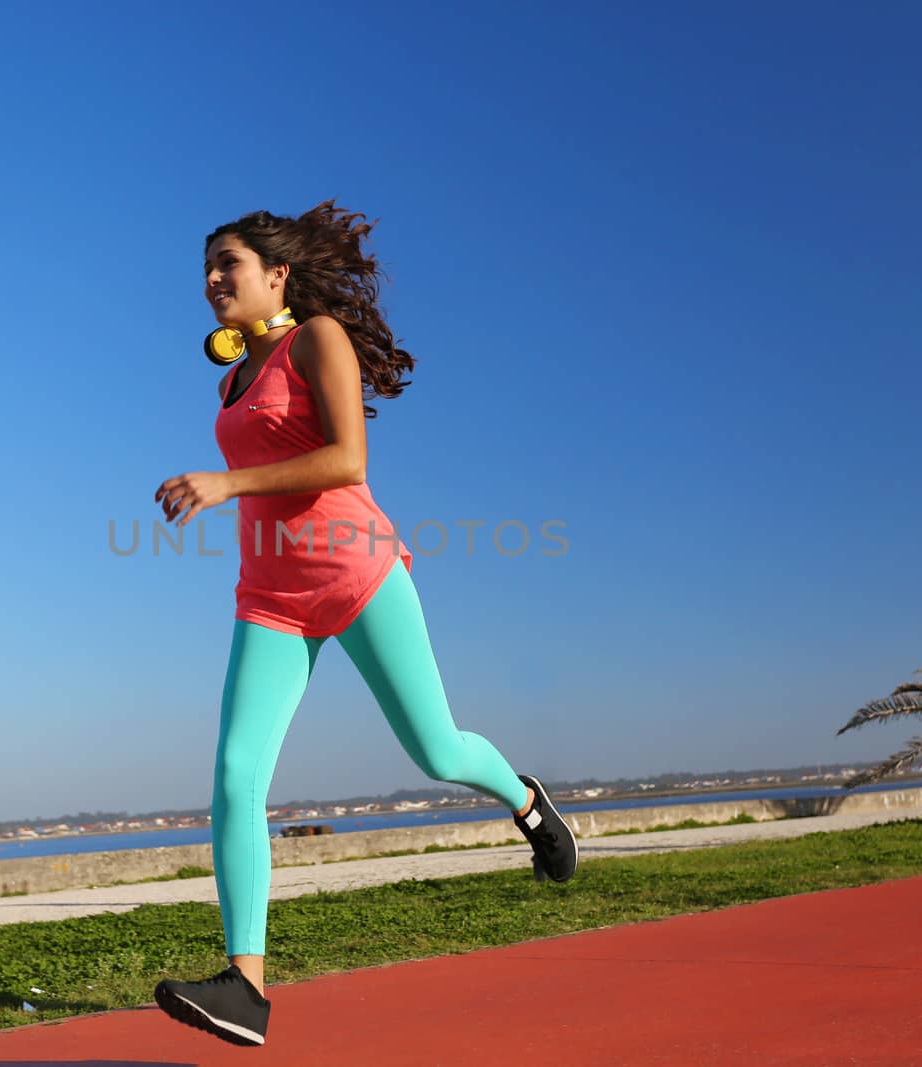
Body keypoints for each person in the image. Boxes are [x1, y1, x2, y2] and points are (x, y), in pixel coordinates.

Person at [151, 201, 577, 1047]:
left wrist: (226, 484)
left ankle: (527, 800)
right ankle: (245, 986)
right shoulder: (231, 377)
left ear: (275, 274)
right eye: (205, 269)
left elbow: (348, 458)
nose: (210, 282)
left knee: (437, 749)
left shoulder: (319, 339)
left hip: (358, 573)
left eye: (225, 265)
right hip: (269, 596)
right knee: (236, 776)